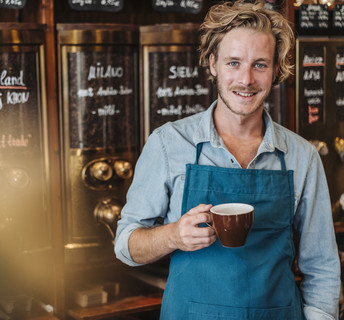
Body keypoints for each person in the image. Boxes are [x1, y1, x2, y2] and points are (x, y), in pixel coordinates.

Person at [114, 0, 341, 319]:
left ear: (276, 69)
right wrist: (174, 234)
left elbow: (322, 268)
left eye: (260, 64)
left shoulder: (301, 156)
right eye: (233, 62)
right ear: (212, 64)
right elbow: (126, 246)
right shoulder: (169, 144)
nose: (246, 79)